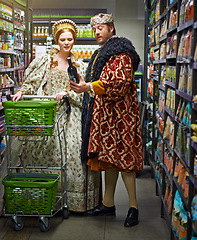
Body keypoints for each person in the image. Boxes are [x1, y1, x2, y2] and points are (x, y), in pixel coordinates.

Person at [12, 19, 100, 213]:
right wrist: (22, 92)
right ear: (56, 40)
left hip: (71, 117)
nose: (67, 43)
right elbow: (31, 82)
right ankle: (42, 199)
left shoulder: (79, 65)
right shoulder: (45, 61)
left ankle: (71, 201)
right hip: (48, 115)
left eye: (70, 39)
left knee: (73, 153)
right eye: (63, 39)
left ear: (74, 40)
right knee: (40, 153)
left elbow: (86, 94)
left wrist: (68, 93)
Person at [70, 13, 143, 226]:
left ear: (111, 28)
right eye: (94, 30)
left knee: (126, 162)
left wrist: (89, 87)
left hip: (122, 116)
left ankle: (133, 208)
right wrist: (86, 84)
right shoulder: (102, 52)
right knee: (109, 159)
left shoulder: (122, 52)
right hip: (107, 116)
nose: (96, 32)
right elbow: (100, 81)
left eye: (100, 28)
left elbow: (118, 82)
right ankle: (108, 204)